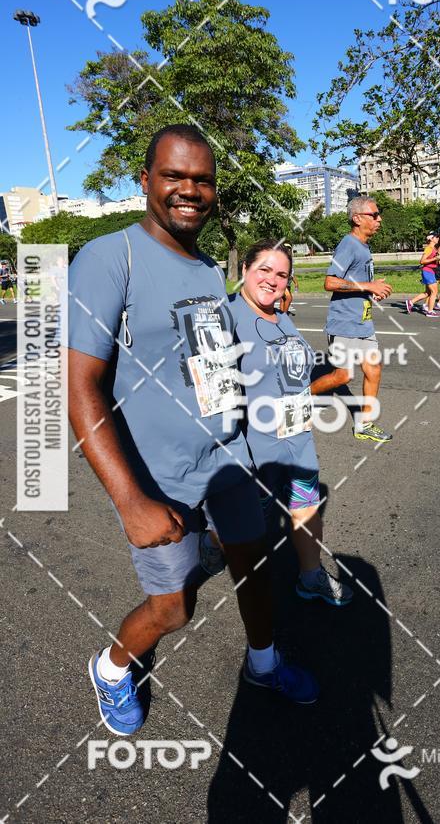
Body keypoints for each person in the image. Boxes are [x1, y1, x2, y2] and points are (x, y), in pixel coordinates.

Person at [68, 125, 318, 737]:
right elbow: (79, 387)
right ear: (146, 180)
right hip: (159, 476)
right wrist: (131, 500)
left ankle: (264, 663)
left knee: (252, 567)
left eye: (202, 180)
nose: (189, 190)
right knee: (173, 608)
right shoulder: (109, 257)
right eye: (174, 176)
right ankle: (111, 665)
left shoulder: (210, 268)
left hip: (228, 462)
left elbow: (212, 360)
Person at [199, 239, 353, 608]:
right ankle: (212, 540)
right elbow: (212, 398)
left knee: (306, 508)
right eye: (264, 270)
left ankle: (310, 576)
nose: (273, 280)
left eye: (282, 274)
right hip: (254, 451)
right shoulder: (224, 317)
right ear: (244, 272)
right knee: (244, 526)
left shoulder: (282, 316)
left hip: (298, 441)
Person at [310, 196, 393, 444]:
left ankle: (365, 424)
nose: (379, 219)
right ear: (357, 218)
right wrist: (367, 285)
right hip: (344, 322)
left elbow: (354, 284)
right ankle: (301, 397)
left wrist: (369, 292)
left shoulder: (364, 247)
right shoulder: (348, 244)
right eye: (374, 215)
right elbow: (330, 282)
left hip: (363, 321)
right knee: (342, 377)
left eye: (378, 215)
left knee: (373, 369)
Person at [406, 232, 440, 317]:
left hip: (431, 271)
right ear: (431, 239)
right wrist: (434, 258)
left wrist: (438, 259)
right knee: (434, 292)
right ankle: (430, 311)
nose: (438, 239)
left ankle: (411, 302)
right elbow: (422, 261)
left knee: (428, 293)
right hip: (428, 271)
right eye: (436, 237)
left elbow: (435, 260)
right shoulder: (429, 248)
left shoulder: (434, 248)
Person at [279, 242, 299, 315]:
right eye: (286, 249)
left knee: (283, 299)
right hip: (282, 282)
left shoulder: (290, 259)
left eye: (289, 248)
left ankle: (281, 315)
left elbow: (292, 273)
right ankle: (284, 316)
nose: (288, 250)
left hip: (288, 282)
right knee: (289, 298)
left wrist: (296, 282)